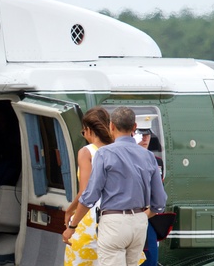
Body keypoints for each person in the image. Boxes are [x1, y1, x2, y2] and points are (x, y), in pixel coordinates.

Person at [63, 107, 167, 266]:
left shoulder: (104, 154)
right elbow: (160, 201)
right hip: (139, 223)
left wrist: (72, 225)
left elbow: (90, 195)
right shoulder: (148, 156)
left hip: (114, 222)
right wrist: (140, 216)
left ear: (111, 126)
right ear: (134, 127)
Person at [63, 106, 113, 266]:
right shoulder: (116, 150)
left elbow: (85, 191)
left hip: (89, 217)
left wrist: (69, 210)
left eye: (83, 132)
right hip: (114, 217)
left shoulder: (86, 152)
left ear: (89, 129)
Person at [134, 114, 162, 266]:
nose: (145, 139)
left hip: (147, 217)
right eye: (141, 134)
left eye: (148, 134)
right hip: (125, 218)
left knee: (150, 259)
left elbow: (158, 195)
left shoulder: (156, 161)